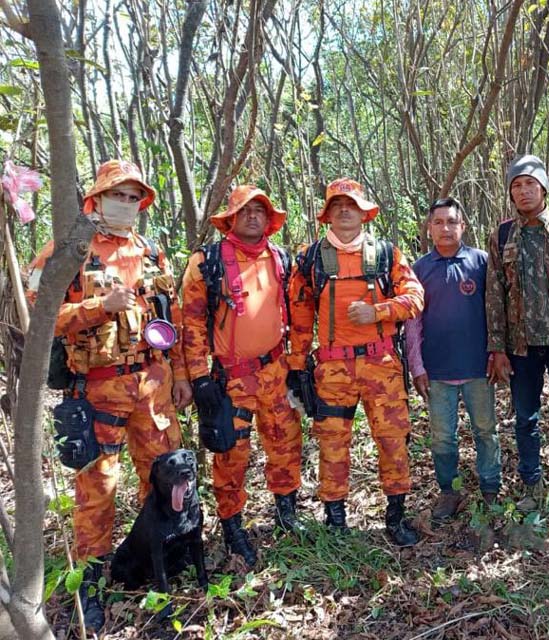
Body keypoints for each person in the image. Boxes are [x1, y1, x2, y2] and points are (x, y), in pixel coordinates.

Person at [26, 160, 192, 631]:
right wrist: (100, 306)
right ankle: (93, 587)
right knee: (96, 491)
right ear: (95, 200)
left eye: (132, 196)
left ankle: (158, 565)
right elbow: (38, 314)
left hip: (154, 387)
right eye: (117, 195)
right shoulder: (67, 251)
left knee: (163, 482)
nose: (125, 203)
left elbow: (171, 321)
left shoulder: (153, 253)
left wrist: (178, 374)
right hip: (97, 388)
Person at [287, 177, 424, 546]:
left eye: (351, 205)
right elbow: (300, 318)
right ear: (327, 214)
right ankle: (335, 520)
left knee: (393, 439)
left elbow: (415, 297)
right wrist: (297, 367)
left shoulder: (386, 254)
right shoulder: (311, 259)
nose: (344, 211)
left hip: (381, 363)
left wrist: (378, 312)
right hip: (332, 369)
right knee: (332, 443)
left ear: (364, 213)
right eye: (337, 205)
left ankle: (395, 516)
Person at [181, 185, 304, 569]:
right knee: (231, 454)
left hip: (274, 370)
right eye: (245, 210)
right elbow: (191, 321)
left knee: (285, 443)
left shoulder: (281, 259)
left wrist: (298, 365)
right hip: (229, 378)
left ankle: (287, 511)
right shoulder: (207, 261)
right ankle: (233, 524)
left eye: (260, 210)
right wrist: (200, 378)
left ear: (269, 219)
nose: (253, 216)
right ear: (231, 218)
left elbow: (298, 313)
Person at [486, 154, 549, 511]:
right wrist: (496, 348)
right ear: (511, 193)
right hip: (521, 348)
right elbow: (494, 294)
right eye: (517, 186)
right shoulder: (501, 235)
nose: (524, 191)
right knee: (525, 418)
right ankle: (531, 485)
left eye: (530, 183)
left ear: (543, 187)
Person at [405, 198, 501, 520]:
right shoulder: (419, 269)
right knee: (442, 435)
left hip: (478, 368)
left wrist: (497, 353)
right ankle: (449, 490)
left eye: (451, 222)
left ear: (463, 226)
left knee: (486, 430)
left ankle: (490, 487)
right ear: (429, 228)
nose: (445, 228)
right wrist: (416, 366)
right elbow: (412, 323)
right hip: (437, 370)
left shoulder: (482, 262)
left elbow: (495, 312)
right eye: (438, 222)